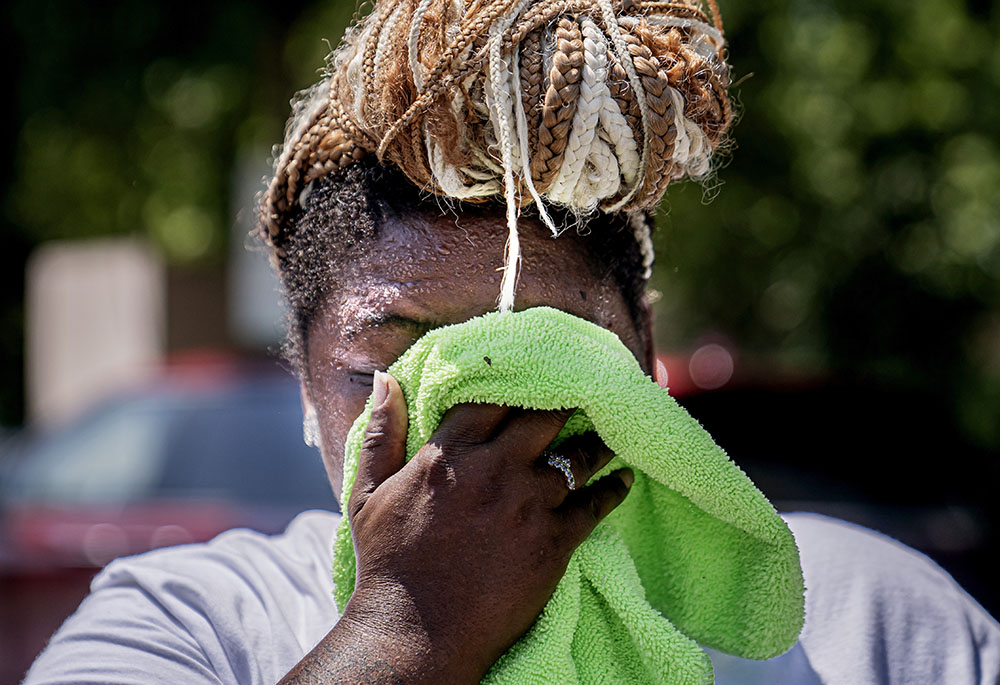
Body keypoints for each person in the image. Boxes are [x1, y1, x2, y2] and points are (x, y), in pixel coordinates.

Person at [25, 0, 1000, 683]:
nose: (471, 424)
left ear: (641, 353)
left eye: (546, 356)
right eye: (391, 365)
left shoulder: (871, 622)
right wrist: (408, 628)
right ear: (304, 376)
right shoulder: (189, 623)